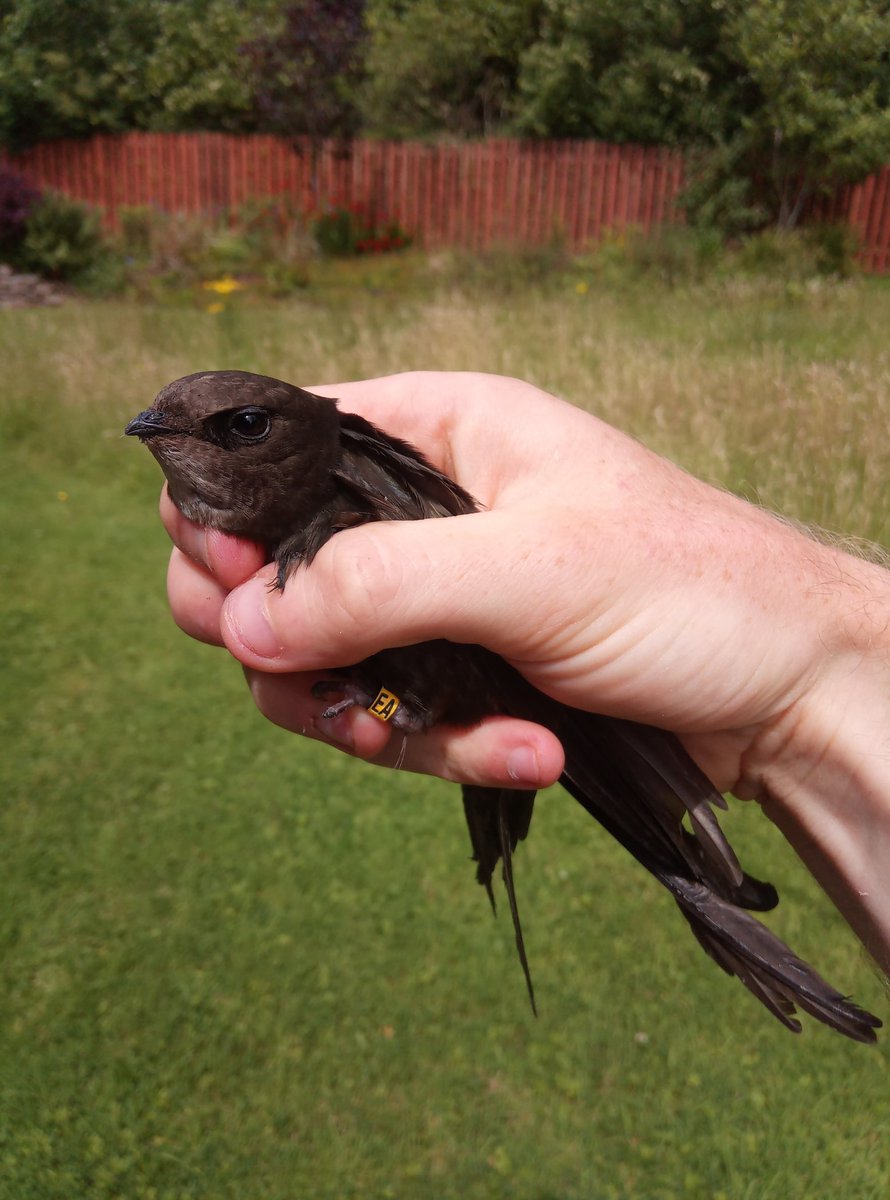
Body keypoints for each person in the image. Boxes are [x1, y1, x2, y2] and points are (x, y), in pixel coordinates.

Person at [159, 370, 890, 973]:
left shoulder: (350, 469)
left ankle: (385, 705)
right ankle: (380, 702)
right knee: (385, 711)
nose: (180, 440)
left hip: (473, 687)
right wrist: (801, 700)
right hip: (409, 695)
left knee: (397, 714)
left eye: (243, 426)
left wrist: (803, 680)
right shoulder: (300, 492)